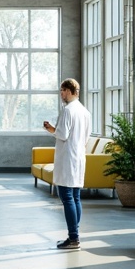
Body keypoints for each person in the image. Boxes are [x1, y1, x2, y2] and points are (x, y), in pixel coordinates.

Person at [42, 78, 92, 250]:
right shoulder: (85, 112)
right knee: (76, 197)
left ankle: (73, 238)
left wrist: (51, 129)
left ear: (71, 91)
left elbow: (62, 134)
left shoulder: (67, 110)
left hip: (67, 158)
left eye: (63, 90)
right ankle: (74, 235)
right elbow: (86, 138)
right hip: (78, 157)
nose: (61, 94)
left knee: (67, 197)